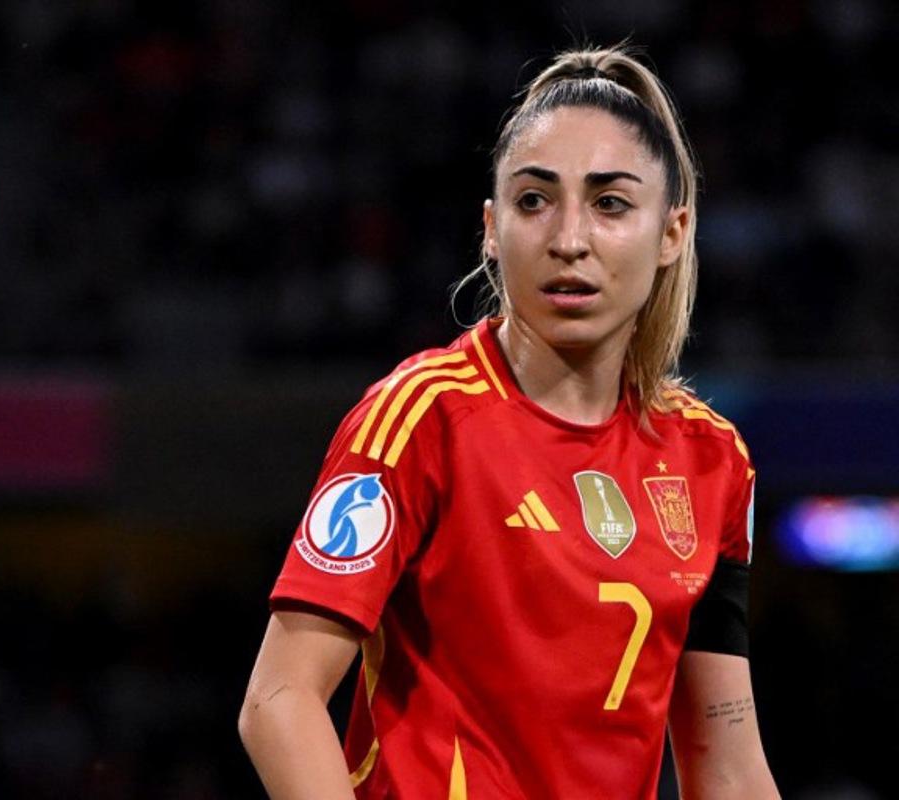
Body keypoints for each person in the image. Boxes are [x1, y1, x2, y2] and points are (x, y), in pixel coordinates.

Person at [238, 44, 780, 799]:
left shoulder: (713, 460)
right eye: (534, 201)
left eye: (610, 203)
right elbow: (279, 700)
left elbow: (727, 761)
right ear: (491, 229)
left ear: (672, 233)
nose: (567, 240)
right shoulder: (419, 419)